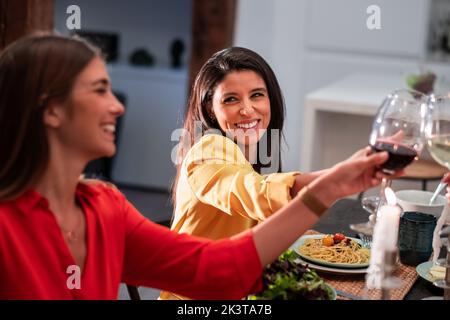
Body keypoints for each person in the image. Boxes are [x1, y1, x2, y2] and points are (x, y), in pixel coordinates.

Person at [0, 34, 390, 300]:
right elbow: (252, 197)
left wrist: (329, 187)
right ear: (51, 110)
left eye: (257, 95)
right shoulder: (208, 151)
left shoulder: (104, 206)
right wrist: (325, 185)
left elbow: (218, 268)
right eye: (100, 90)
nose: (117, 106)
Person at [162, 47, 403, 299]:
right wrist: (337, 178)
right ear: (211, 109)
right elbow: (253, 192)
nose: (247, 109)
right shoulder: (208, 149)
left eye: (257, 95)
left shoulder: (250, 151)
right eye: (231, 99)